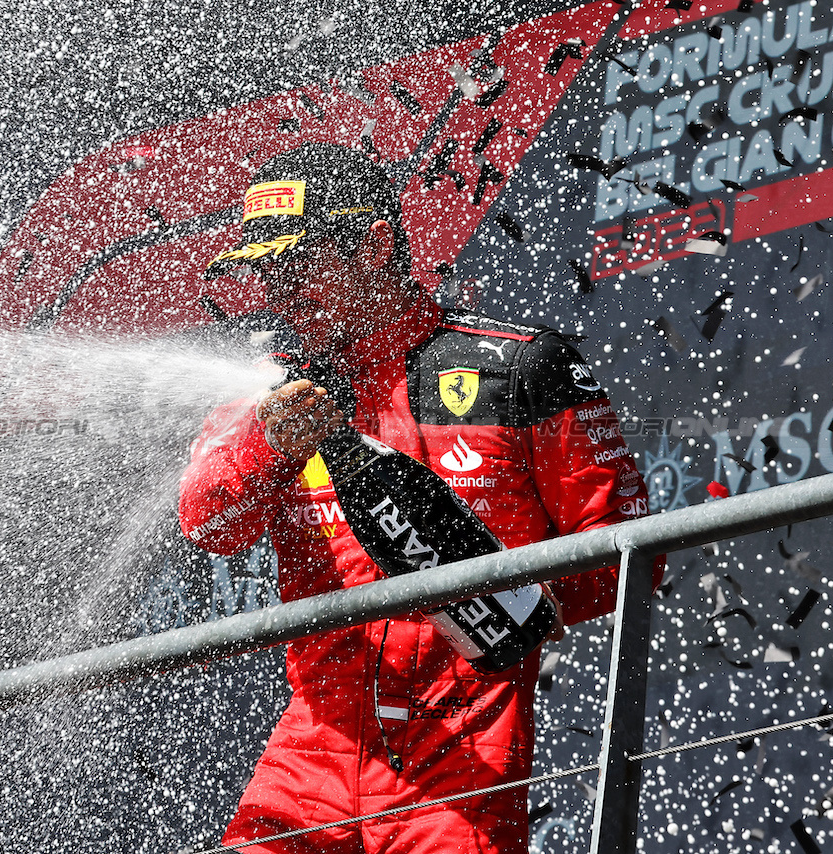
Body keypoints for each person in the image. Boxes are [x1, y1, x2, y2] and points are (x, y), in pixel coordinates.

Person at [177, 142, 661, 854]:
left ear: (374, 247)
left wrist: (520, 608)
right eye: (264, 273)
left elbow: (627, 549)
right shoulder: (270, 396)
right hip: (315, 749)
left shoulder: (519, 367)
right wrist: (271, 444)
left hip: (463, 758)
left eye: (297, 264)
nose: (278, 293)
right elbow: (207, 524)